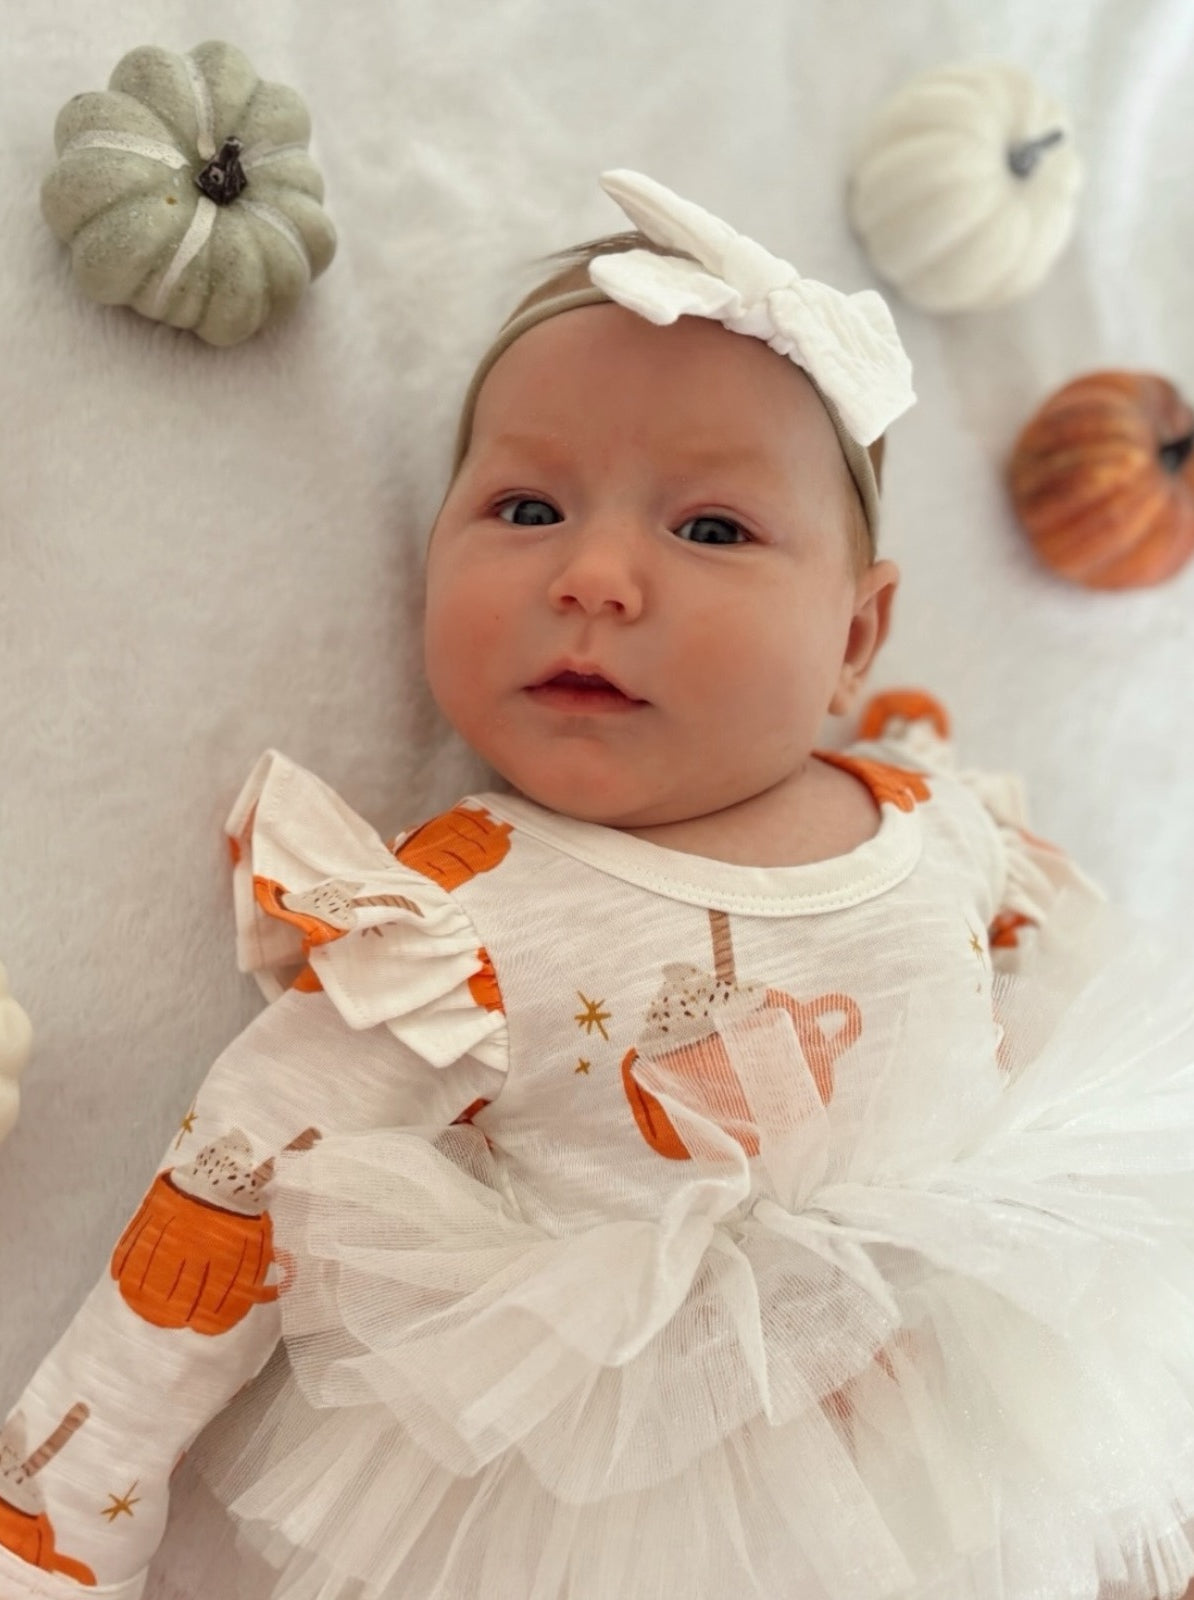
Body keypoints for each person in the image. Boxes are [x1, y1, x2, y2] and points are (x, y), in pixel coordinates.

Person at [2, 168, 1193, 1600]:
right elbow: (236, 1181)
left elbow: (1121, 1037)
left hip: (988, 1448)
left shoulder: (943, 828)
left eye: (709, 529)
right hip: (634, 1515)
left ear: (853, 636)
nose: (598, 577)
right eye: (522, 507)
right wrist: (72, 1503)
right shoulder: (453, 922)